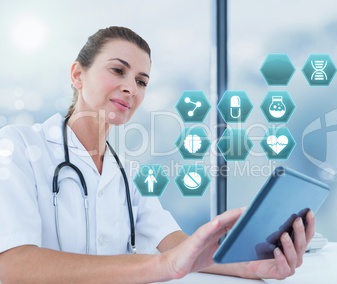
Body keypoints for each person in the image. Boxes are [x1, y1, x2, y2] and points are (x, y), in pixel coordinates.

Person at [0, 26, 315, 283]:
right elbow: (12, 264)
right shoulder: (18, 147)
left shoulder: (125, 175)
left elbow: (176, 244)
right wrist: (162, 266)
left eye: (141, 81)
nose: (131, 89)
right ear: (77, 75)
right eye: (118, 70)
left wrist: (250, 266)